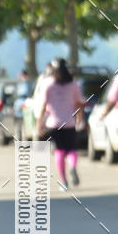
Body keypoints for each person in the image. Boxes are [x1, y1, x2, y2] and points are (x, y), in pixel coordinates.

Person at [37, 58, 85, 189]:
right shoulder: (73, 84)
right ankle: (73, 166)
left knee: (59, 151)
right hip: (69, 123)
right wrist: (79, 119)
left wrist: (39, 123)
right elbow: (79, 104)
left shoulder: (48, 84)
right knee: (71, 150)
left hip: (54, 124)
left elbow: (43, 106)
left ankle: (64, 181)